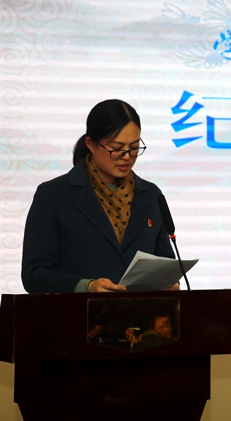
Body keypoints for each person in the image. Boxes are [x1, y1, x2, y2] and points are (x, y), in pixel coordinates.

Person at [21, 99, 179, 293]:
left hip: (140, 312)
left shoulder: (151, 195)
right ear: (91, 144)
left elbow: (164, 263)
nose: (127, 156)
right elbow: (34, 274)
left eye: (134, 147)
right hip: (79, 311)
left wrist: (167, 283)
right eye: (116, 148)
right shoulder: (53, 195)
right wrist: (85, 287)